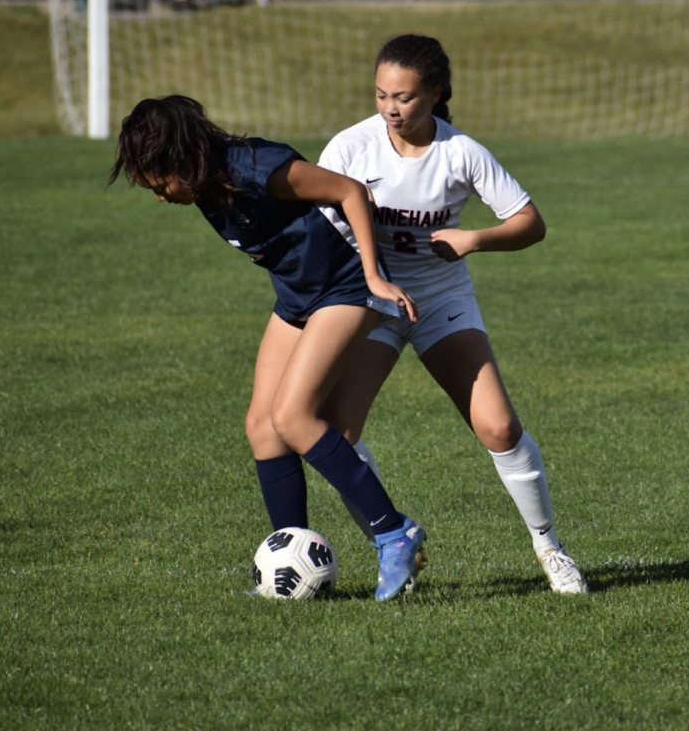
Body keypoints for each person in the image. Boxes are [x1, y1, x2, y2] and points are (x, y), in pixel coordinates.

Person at [107, 95, 427, 602]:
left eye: (161, 182)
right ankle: (289, 553)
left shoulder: (258, 167)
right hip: (299, 299)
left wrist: (371, 274)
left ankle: (394, 532)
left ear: (182, 158)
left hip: (346, 286)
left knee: (294, 417)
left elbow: (350, 191)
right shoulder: (210, 186)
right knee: (262, 427)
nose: (161, 196)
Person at [318, 34, 588, 594]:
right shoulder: (350, 148)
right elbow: (316, 226)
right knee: (339, 433)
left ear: (436, 94)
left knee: (499, 426)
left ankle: (550, 548)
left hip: (441, 300)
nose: (391, 108)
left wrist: (473, 239)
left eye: (406, 97)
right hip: (371, 302)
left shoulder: (462, 152)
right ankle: (393, 543)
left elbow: (530, 223)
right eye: (381, 94)